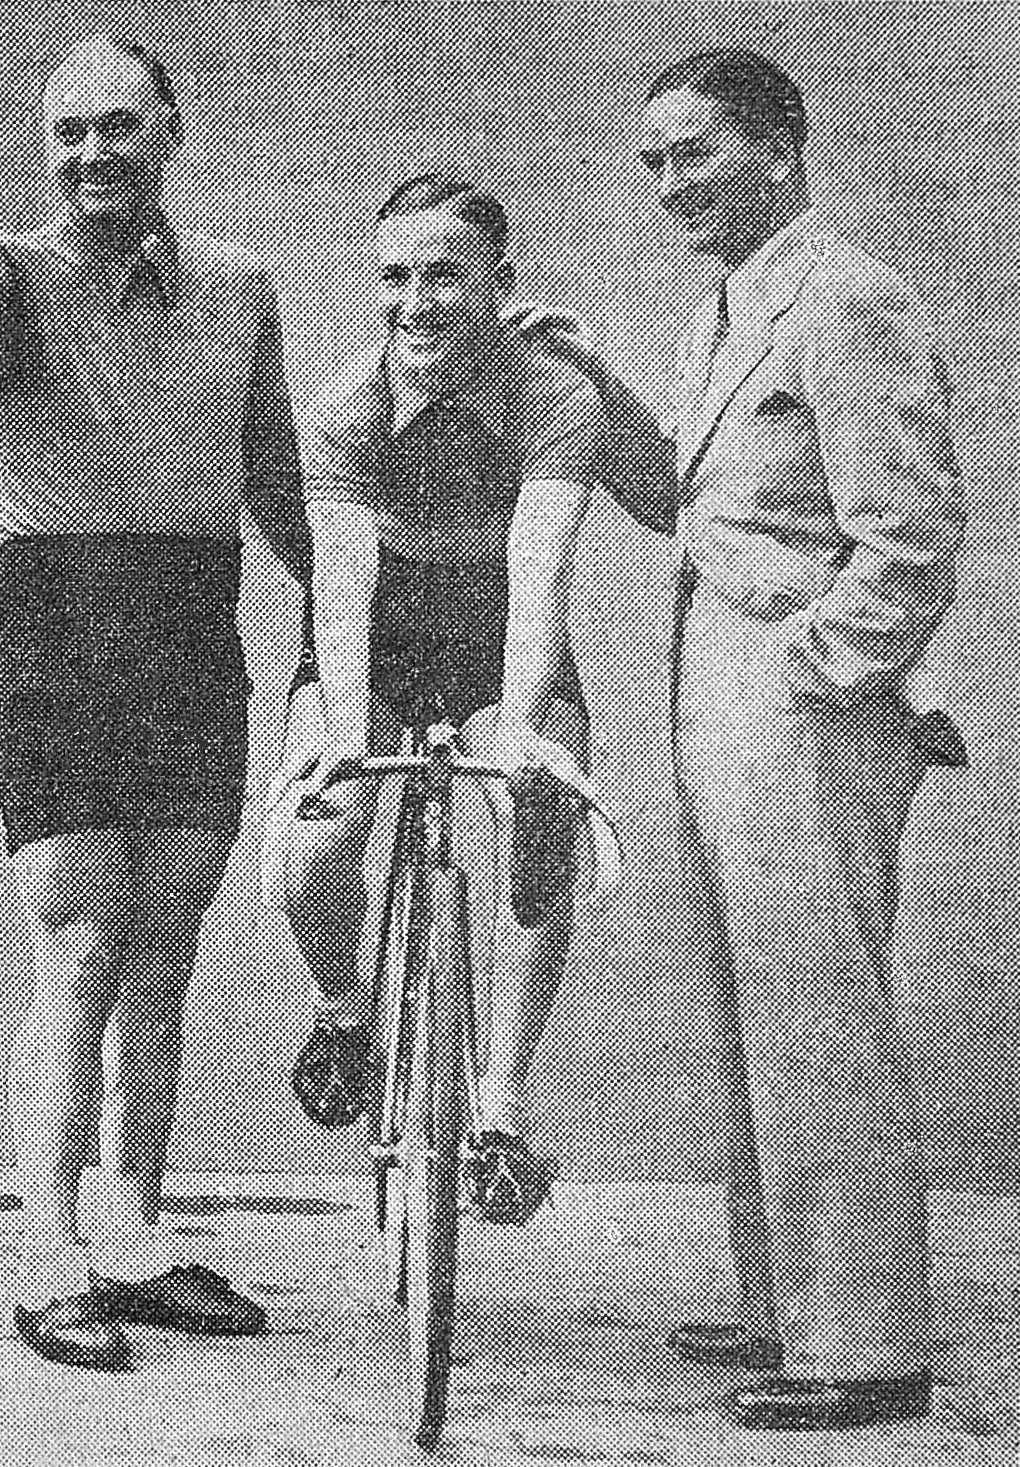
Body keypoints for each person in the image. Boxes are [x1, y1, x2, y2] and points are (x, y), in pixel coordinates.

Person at [0, 35, 309, 1371]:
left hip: (190, 619)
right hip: (56, 621)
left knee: (167, 941)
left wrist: (365, 623)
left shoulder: (243, 287)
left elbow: (279, 483)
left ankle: (137, 1231)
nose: (93, 154)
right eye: (68, 131)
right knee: (82, 939)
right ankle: (50, 1247)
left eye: (118, 126)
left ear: (171, 131)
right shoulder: (12, 281)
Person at [568, 49, 964, 1429]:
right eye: (653, 159)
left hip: (803, 700)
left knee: (820, 1015)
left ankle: (863, 1347)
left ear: (780, 147)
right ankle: (781, 1305)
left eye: (694, 152)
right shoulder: (725, 311)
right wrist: (585, 380)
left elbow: (908, 539)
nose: (667, 182)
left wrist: (811, 672)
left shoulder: (848, 297)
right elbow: (692, 501)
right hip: (716, 688)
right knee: (750, 1010)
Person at [264, 173, 620, 1226]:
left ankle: (500, 1109)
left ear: (500, 283)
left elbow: (540, 566)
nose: (415, 302)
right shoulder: (344, 407)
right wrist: (337, 736)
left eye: (445, 276)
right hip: (377, 630)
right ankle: (341, 1008)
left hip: (501, 623)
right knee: (320, 840)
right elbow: (339, 586)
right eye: (395, 276)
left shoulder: (555, 395)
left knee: (532, 808)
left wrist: (517, 734)